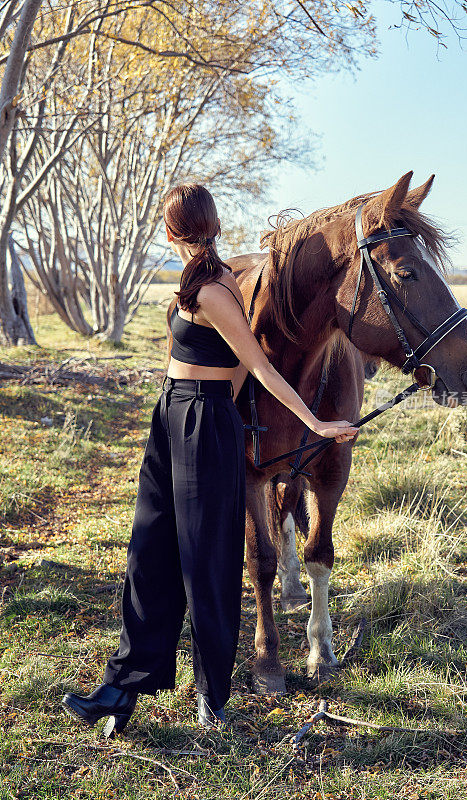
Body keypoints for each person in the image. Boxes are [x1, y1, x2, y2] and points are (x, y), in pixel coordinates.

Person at [61, 184, 358, 737]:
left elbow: (260, 366)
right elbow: (259, 272)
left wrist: (315, 423)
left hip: (203, 422)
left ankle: (212, 696)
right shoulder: (211, 272)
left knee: (207, 562)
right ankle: (123, 687)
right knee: (148, 551)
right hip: (171, 416)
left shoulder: (217, 291)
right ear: (211, 226)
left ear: (170, 231)